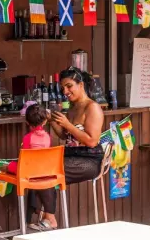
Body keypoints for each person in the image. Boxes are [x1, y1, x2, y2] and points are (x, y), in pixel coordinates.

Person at [28, 68, 104, 230]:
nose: (65, 92)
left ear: (81, 85)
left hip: (89, 160)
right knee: (35, 164)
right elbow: (65, 135)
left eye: (69, 86)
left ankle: (50, 219)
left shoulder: (93, 107)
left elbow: (92, 141)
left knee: (45, 168)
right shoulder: (73, 107)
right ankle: (42, 216)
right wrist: (52, 120)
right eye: (63, 88)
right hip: (70, 155)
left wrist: (67, 124)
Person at [6, 104, 52, 175]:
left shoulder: (27, 138)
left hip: (29, 172)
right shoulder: (48, 136)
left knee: (7, 166)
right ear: (45, 121)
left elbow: (24, 161)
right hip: (45, 171)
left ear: (27, 122)